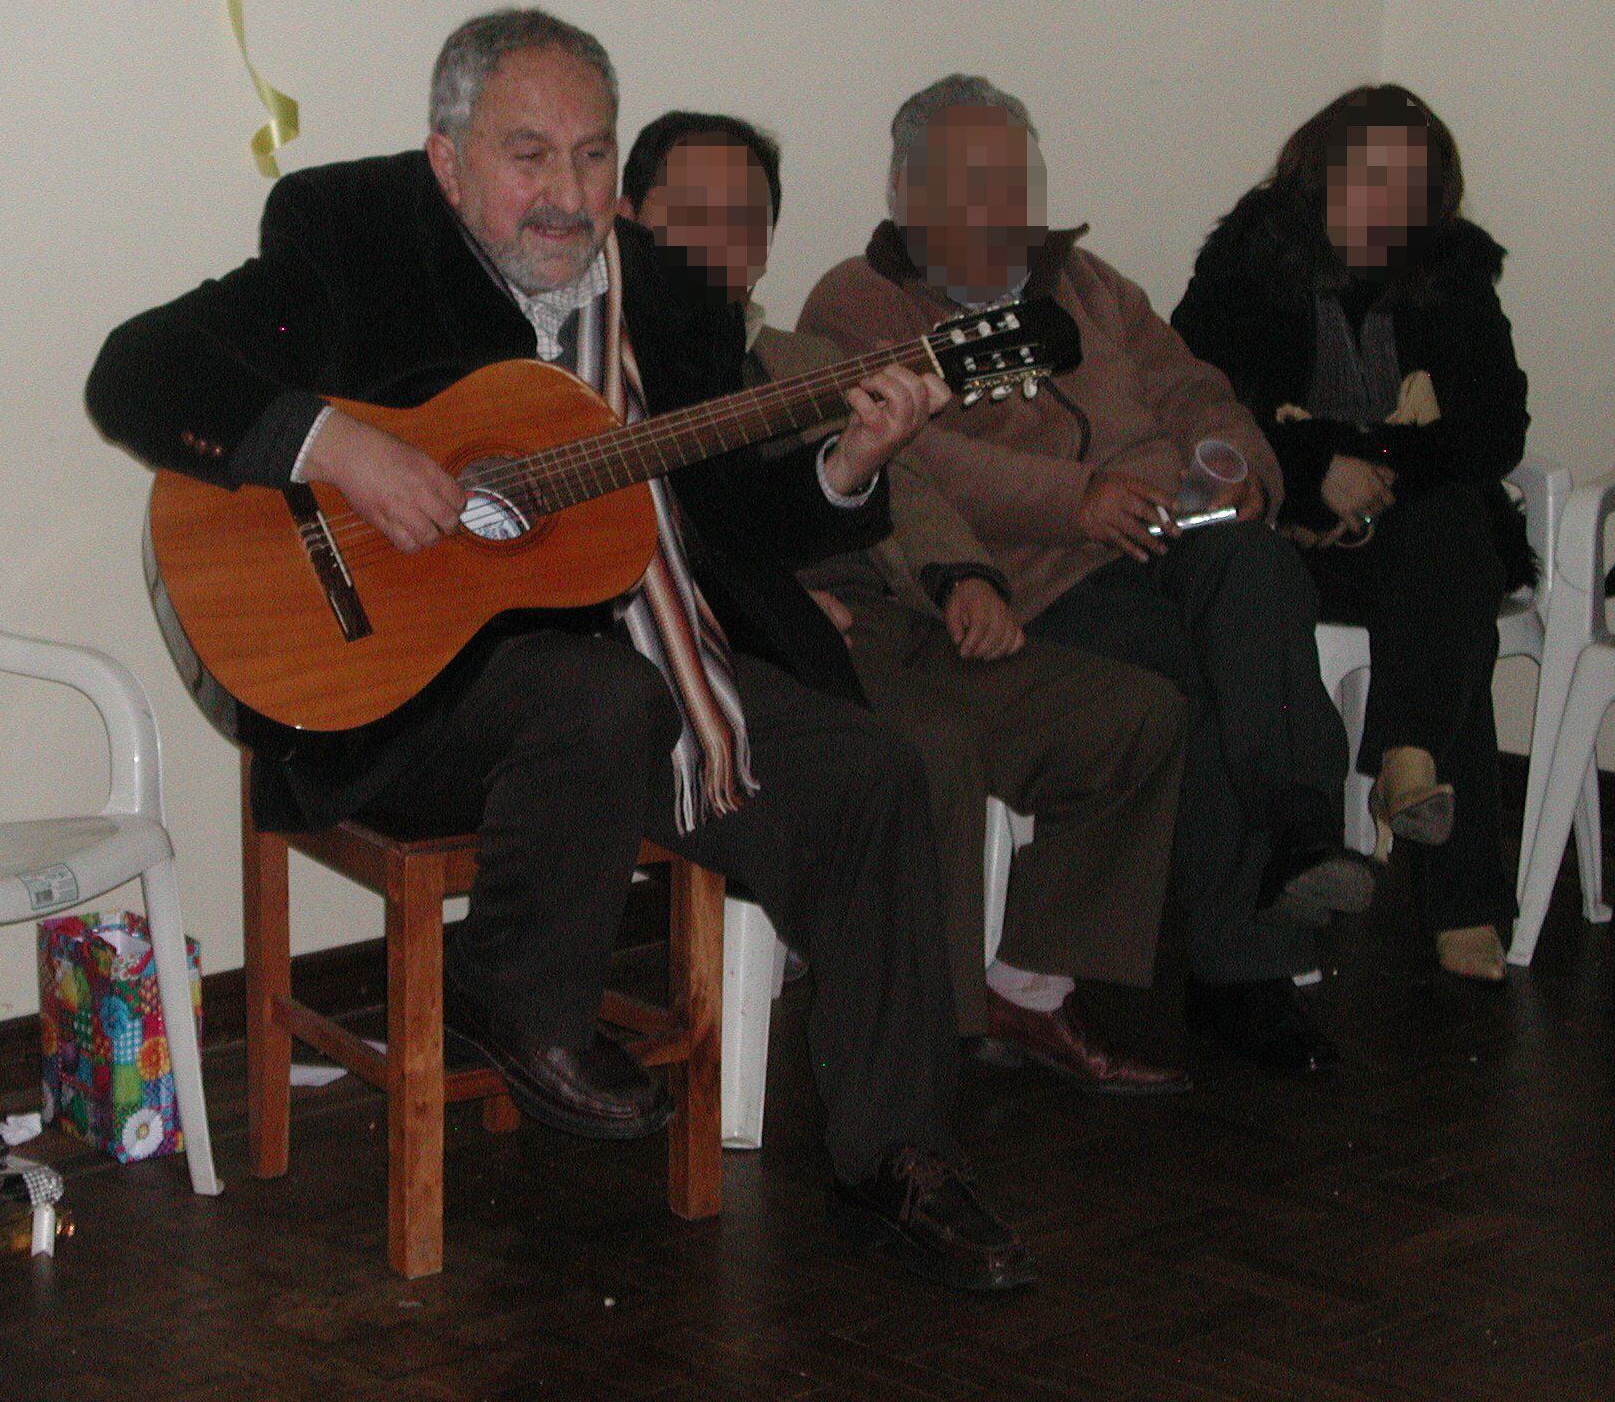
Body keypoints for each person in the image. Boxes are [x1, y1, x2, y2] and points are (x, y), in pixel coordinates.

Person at [89, 9, 1036, 1290]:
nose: (568, 194)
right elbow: (135, 373)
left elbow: (732, 515)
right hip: (400, 697)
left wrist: (848, 460)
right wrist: (340, 450)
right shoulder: (354, 242)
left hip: (639, 683)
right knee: (592, 695)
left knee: (869, 772)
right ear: (446, 159)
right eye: (526, 155)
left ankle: (895, 1160)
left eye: (592, 157)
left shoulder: (670, 292)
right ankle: (517, 997)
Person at [800, 75, 1370, 1075]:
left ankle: (1294, 830)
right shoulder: (858, 301)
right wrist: (1074, 499)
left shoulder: (1086, 281)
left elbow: (1188, 383)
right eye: (969, 184)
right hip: (1041, 571)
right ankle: (1242, 973)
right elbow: (916, 465)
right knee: (1172, 680)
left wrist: (1240, 468)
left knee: (1259, 574)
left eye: (1015, 183)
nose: (999, 212)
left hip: (1170, 523)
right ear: (902, 188)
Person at [622, 110, 1191, 1092]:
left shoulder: (802, 358)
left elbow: (912, 488)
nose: (725, 241)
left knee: (1130, 719)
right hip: (770, 653)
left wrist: (966, 577)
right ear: (626, 220)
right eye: (694, 214)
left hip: (899, 616)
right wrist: (781, 599)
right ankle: (922, 1050)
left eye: (748, 219)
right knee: (925, 757)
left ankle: (1026, 990)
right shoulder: (605, 377)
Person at [1173, 84, 1533, 982]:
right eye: (1366, 179)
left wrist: (1382, 473)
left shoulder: (1450, 272)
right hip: (1294, 536)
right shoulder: (1250, 263)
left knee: (1448, 540)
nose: (1385, 203)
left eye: (1409, 187)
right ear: (1319, 176)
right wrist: (1316, 465)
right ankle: (1456, 885)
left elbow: (1495, 428)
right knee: (1451, 613)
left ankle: (1408, 755)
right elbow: (1199, 405)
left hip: (1416, 532)